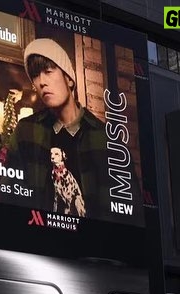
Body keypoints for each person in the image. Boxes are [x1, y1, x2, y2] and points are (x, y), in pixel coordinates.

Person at [6, 38, 109, 218]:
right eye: (35, 76)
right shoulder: (26, 130)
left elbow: (121, 214)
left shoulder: (103, 136)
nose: (42, 82)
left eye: (48, 71)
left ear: (68, 79)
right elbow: (8, 196)